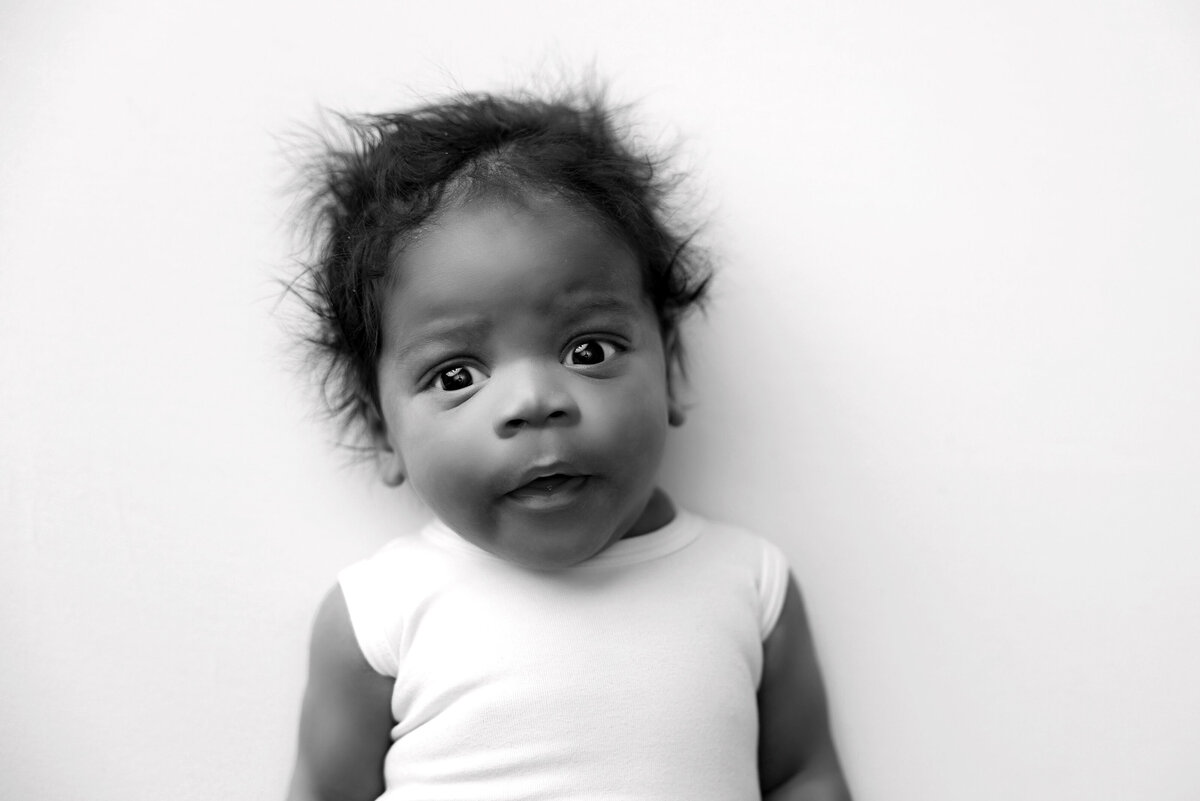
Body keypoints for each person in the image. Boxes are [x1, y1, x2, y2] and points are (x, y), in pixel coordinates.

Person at [284, 87, 851, 801]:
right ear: (380, 428)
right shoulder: (378, 614)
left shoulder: (749, 586)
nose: (534, 401)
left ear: (670, 369)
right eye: (457, 374)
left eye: (588, 349)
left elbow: (804, 774)